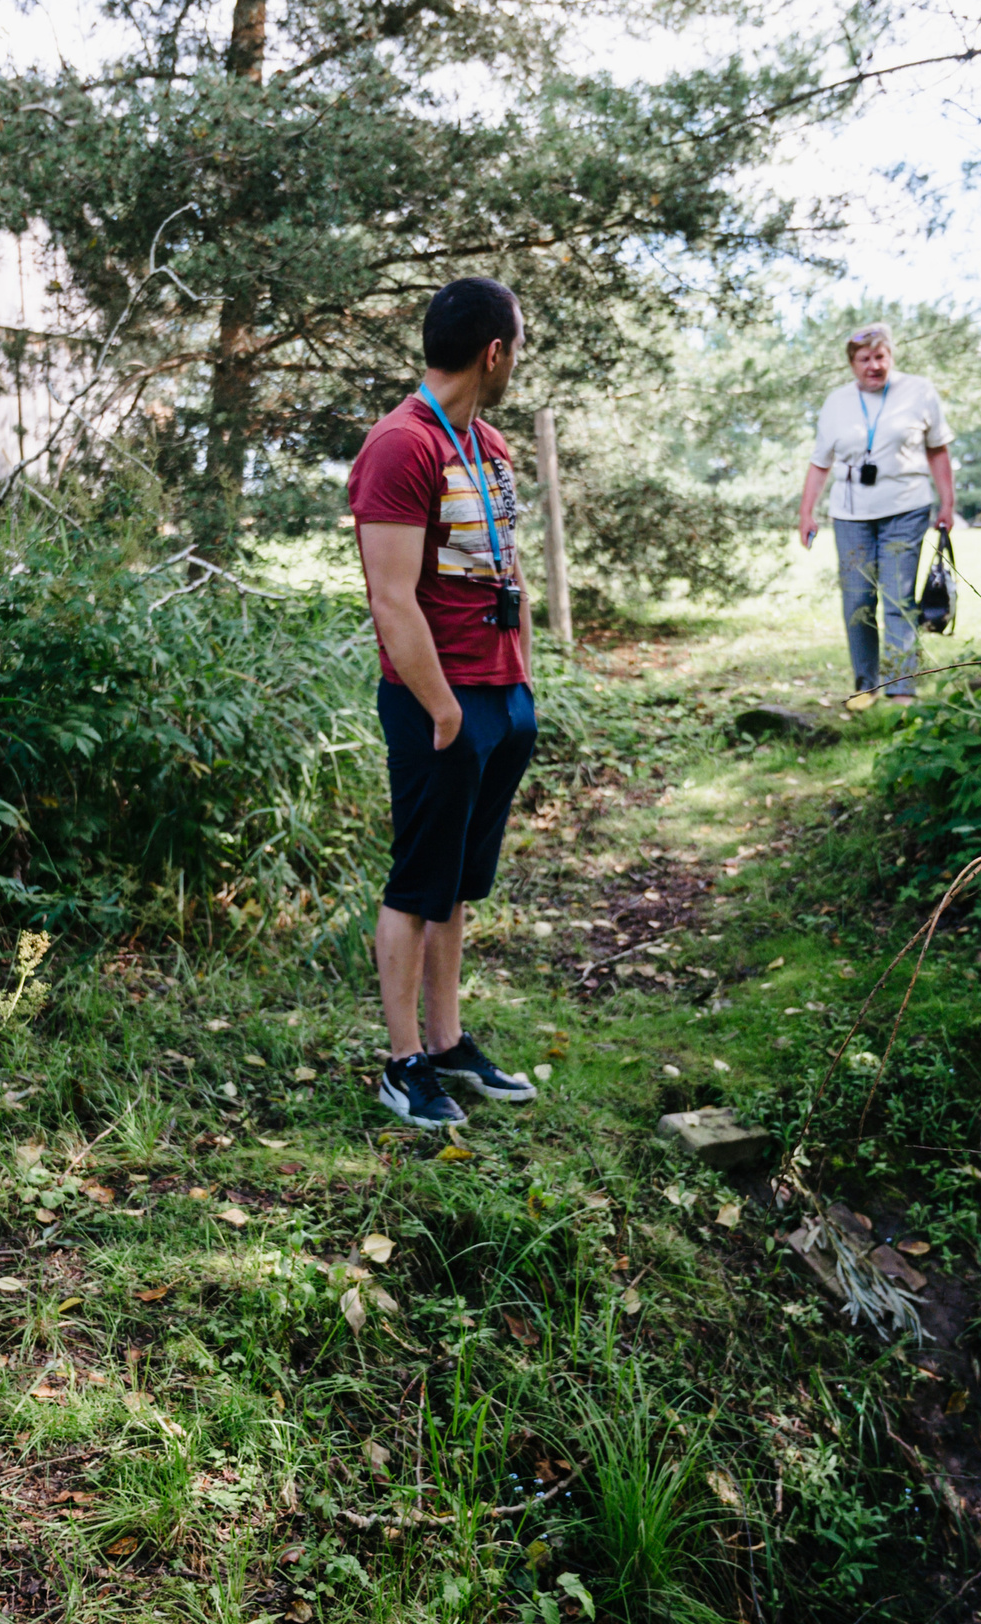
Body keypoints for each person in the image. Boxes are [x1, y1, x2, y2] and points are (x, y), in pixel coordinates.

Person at [347, 276, 544, 1130]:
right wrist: (445, 710)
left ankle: (450, 1041)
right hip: (439, 705)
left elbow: (512, 573)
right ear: (493, 352)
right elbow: (391, 599)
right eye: (518, 347)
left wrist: (523, 683)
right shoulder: (400, 445)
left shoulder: (489, 445)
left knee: (458, 883)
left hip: (500, 696)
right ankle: (402, 1063)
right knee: (416, 884)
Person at [796, 323, 955, 709]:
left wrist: (947, 502)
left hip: (906, 507)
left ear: (891, 357)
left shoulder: (919, 391)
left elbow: (938, 450)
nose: (874, 366)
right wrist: (807, 513)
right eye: (865, 359)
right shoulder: (836, 402)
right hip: (851, 514)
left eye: (880, 357)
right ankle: (866, 684)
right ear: (852, 364)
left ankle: (901, 688)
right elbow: (820, 463)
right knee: (857, 601)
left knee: (898, 598)